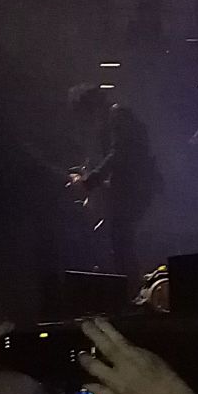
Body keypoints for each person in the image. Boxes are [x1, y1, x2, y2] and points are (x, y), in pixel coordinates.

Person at [67, 84, 162, 284]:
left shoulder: (117, 116)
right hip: (134, 188)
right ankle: (130, 286)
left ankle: (130, 287)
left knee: (122, 240)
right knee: (121, 240)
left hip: (133, 190)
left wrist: (90, 181)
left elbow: (118, 154)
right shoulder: (116, 118)